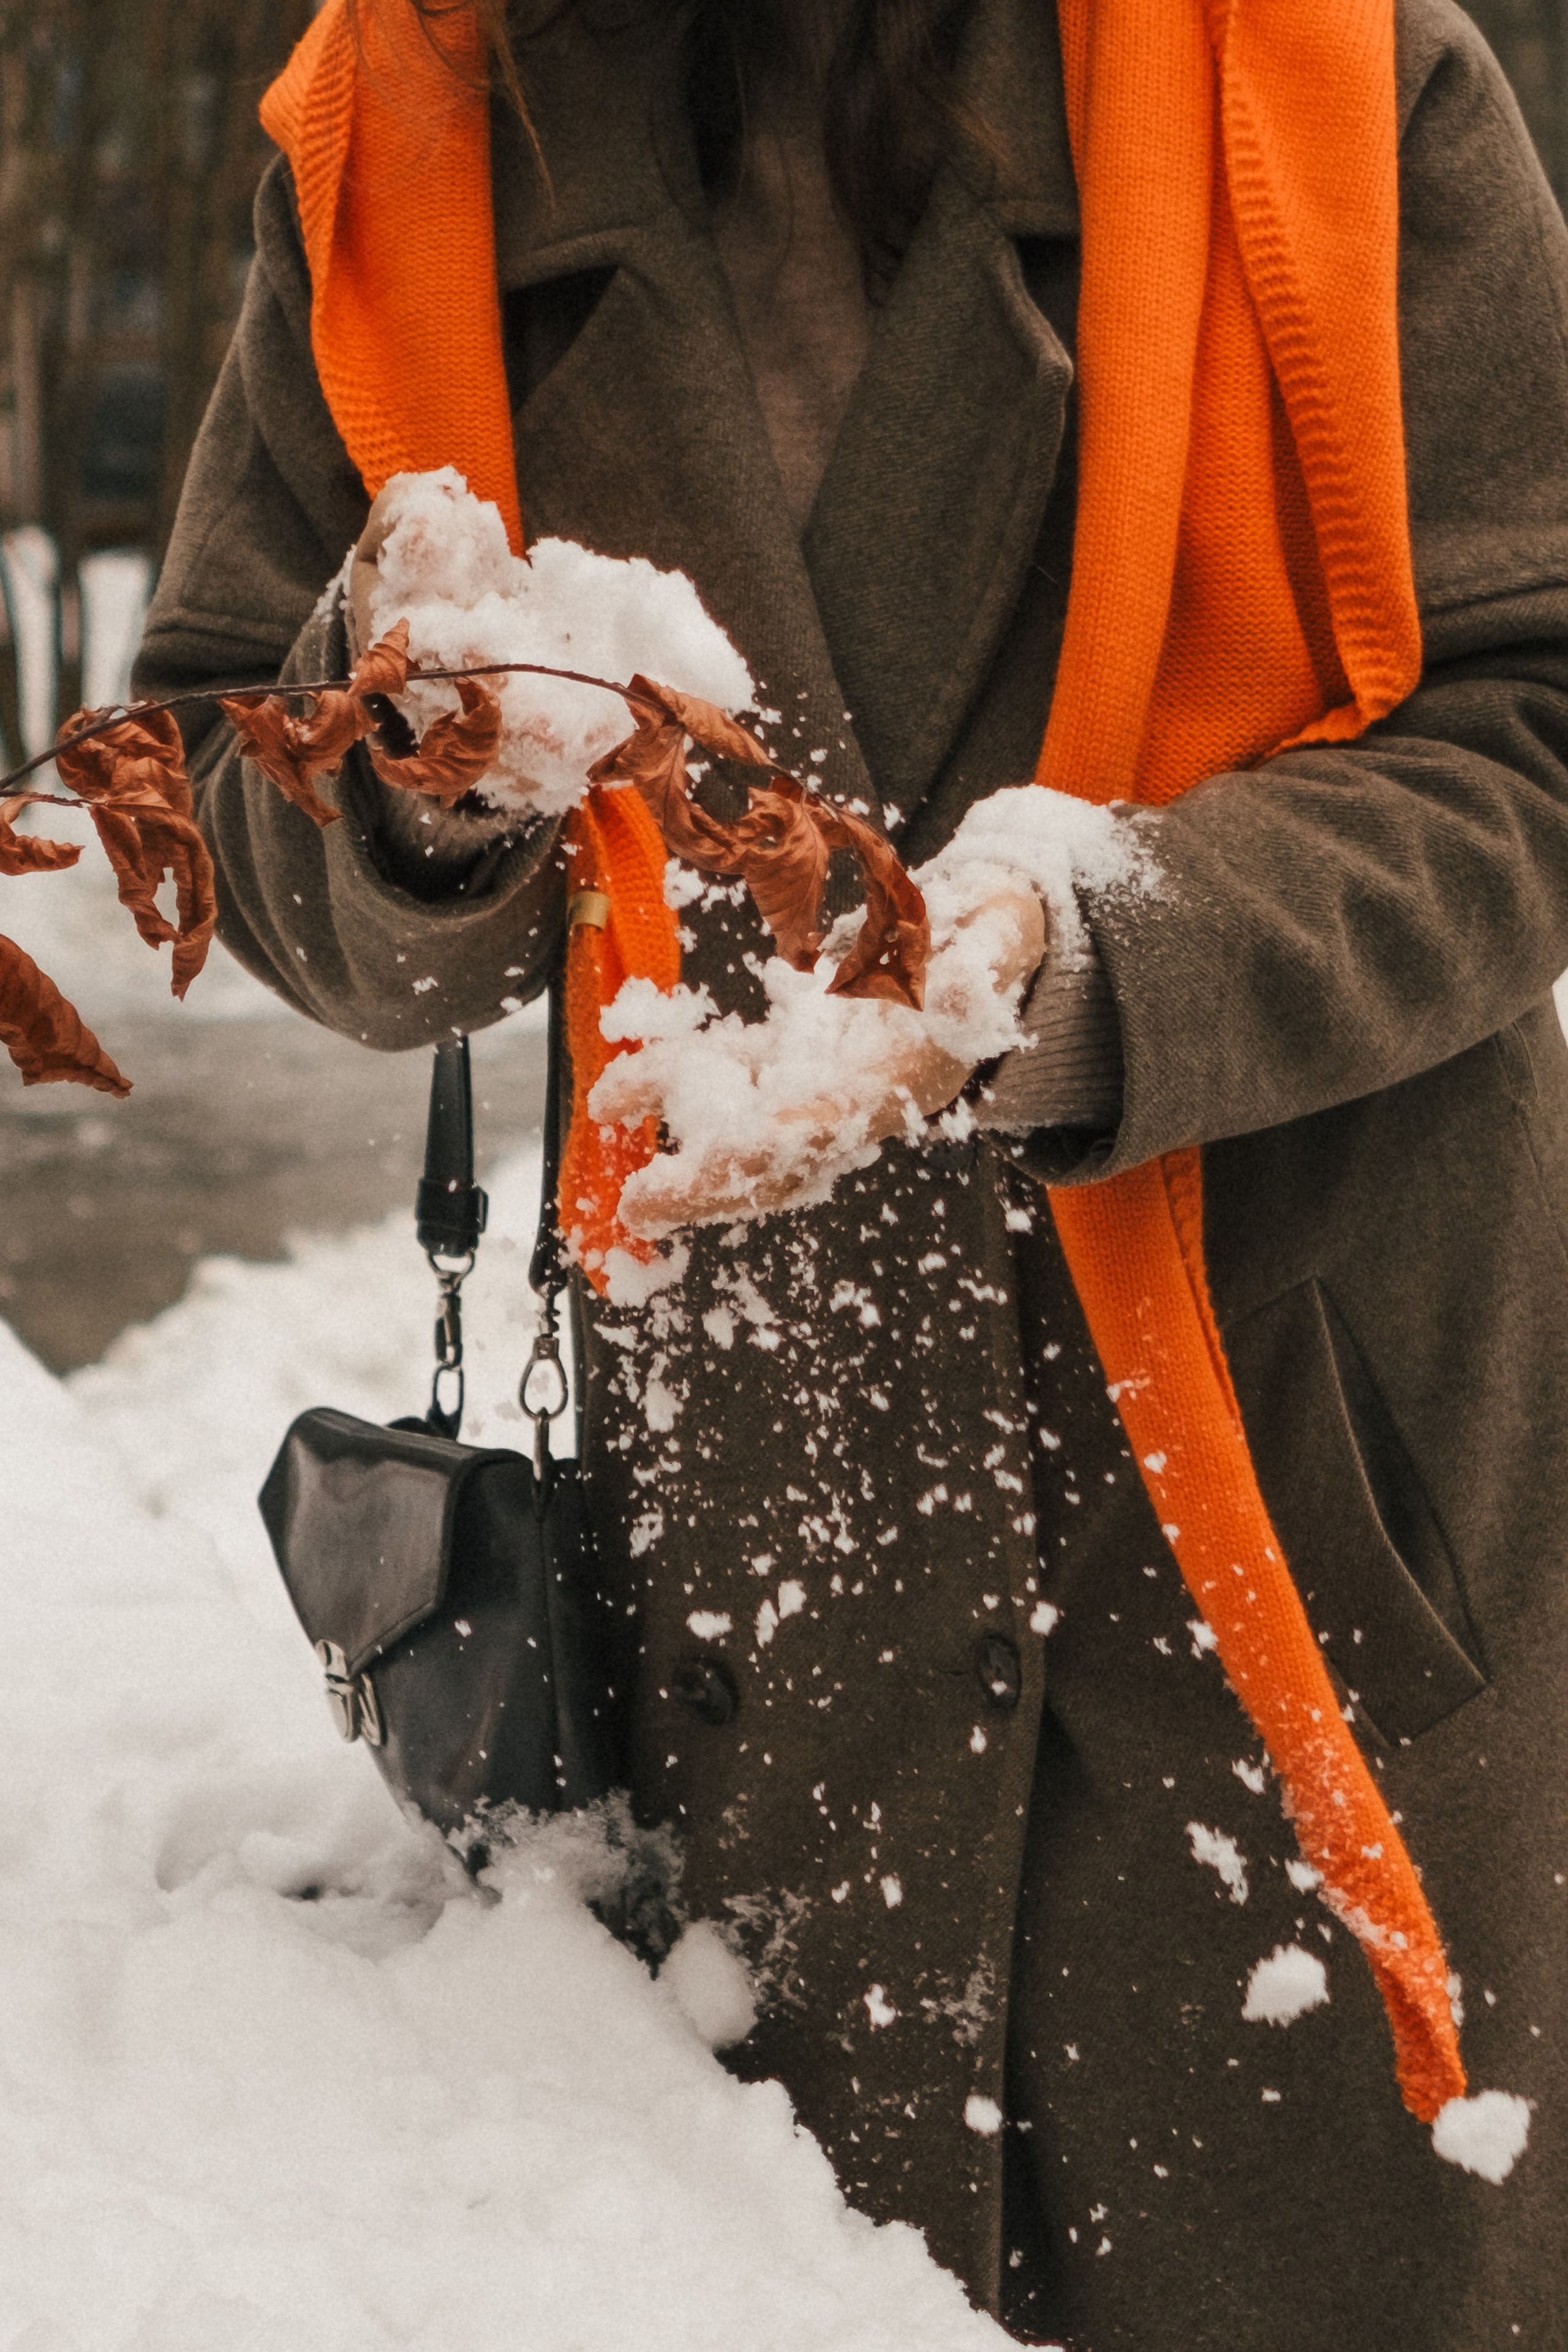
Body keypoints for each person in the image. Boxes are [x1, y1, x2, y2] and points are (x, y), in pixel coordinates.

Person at [136, 0, 1568, 2342]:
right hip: (755, 1622)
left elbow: (1530, 712)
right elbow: (212, 771)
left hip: (1301, 1554)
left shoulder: (1322, 70)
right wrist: (400, 790)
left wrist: (1092, 955)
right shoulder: (400, 134)